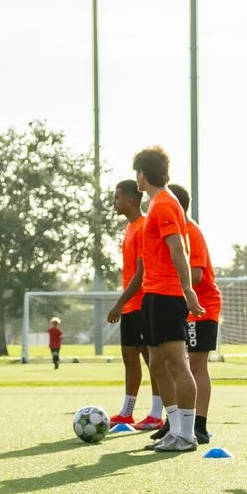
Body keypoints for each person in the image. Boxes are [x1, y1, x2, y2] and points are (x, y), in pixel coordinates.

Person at [109, 148, 202, 453]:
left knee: (176, 363)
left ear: (142, 175)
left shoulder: (163, 204)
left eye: (136, 172)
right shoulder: (157, 203)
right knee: (158, 365)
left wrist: (187, 290)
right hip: (152, 294)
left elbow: (178, 249)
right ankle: (173, 430)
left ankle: (187, 435)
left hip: (167, 294)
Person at [166, 183, 221, 444]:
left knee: (196, 364)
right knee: (176, 363)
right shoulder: (176, 232)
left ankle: (199, 424)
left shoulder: (191, 232)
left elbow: (197, 275)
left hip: (202, 305)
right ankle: (175, 423)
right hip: (182, 304)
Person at [103, 180, 158, 431]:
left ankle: (157, 413)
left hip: (142, 302)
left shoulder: (144, 226)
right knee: (129, 356)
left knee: (152, 359)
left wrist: (118, 303)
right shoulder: (129, 227)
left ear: (131, 200)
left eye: (117, 197)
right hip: (130, 305)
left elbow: (141, 272)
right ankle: (127, 413)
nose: (114, 202)